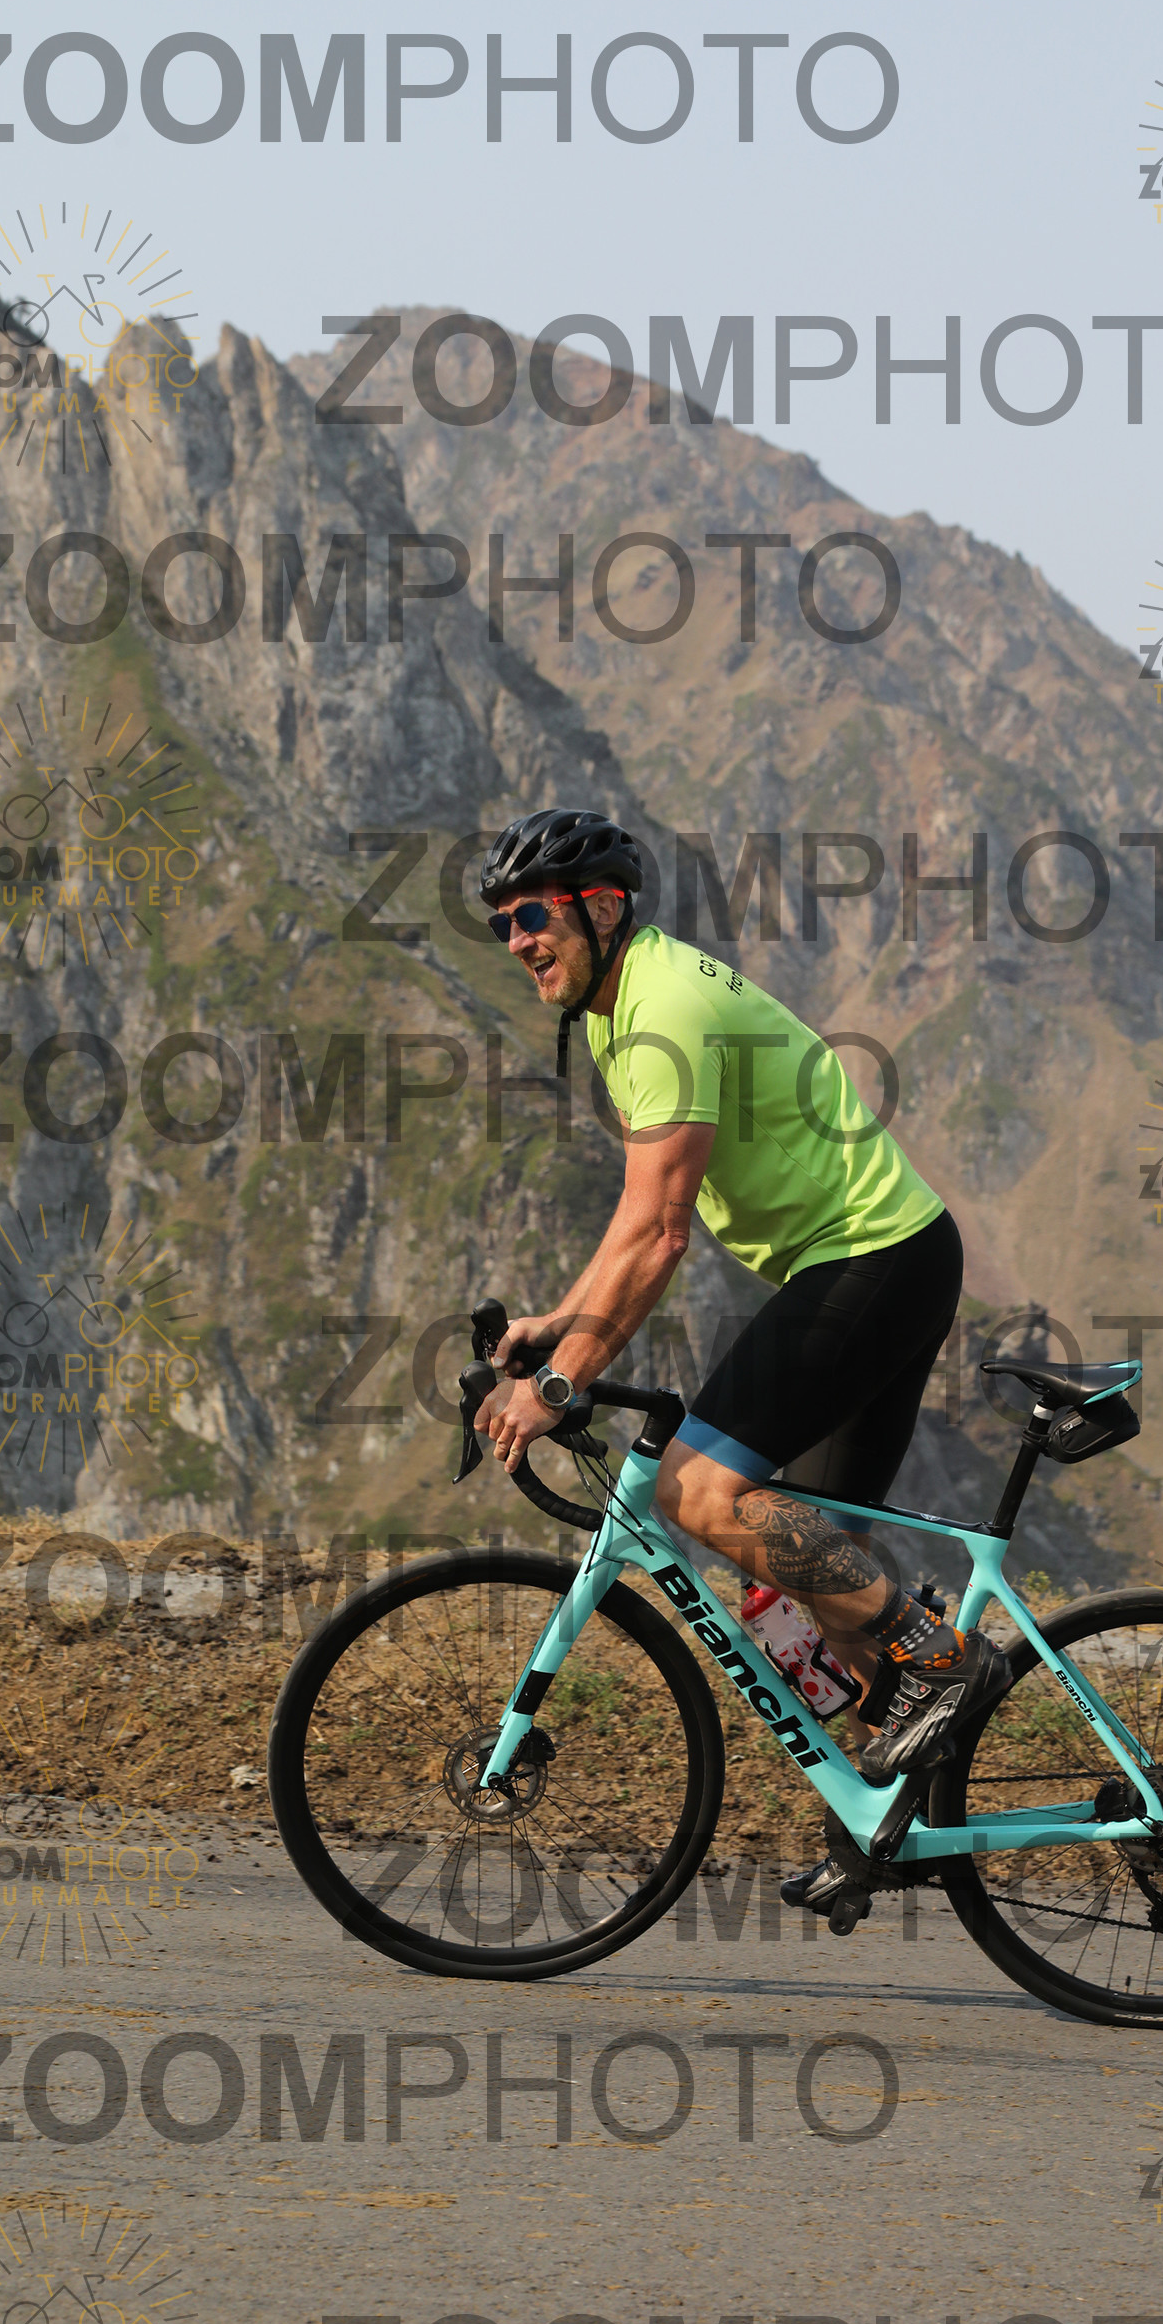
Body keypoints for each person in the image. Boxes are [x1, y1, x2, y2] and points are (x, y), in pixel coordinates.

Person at [472, 807, 1008, 1909]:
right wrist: (559, 1321)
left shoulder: (660, 1007)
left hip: (870, 1261)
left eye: (533, 916)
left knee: (697, 1491)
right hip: (877, 1259)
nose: (518, 940)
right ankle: (891, 1826)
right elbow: (635, 1217)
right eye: (502, 925)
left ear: (601, 908)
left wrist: (564, 1381)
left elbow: (663, 1233)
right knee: (809, 1574)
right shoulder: (620, 1008)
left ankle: (945, 1664)